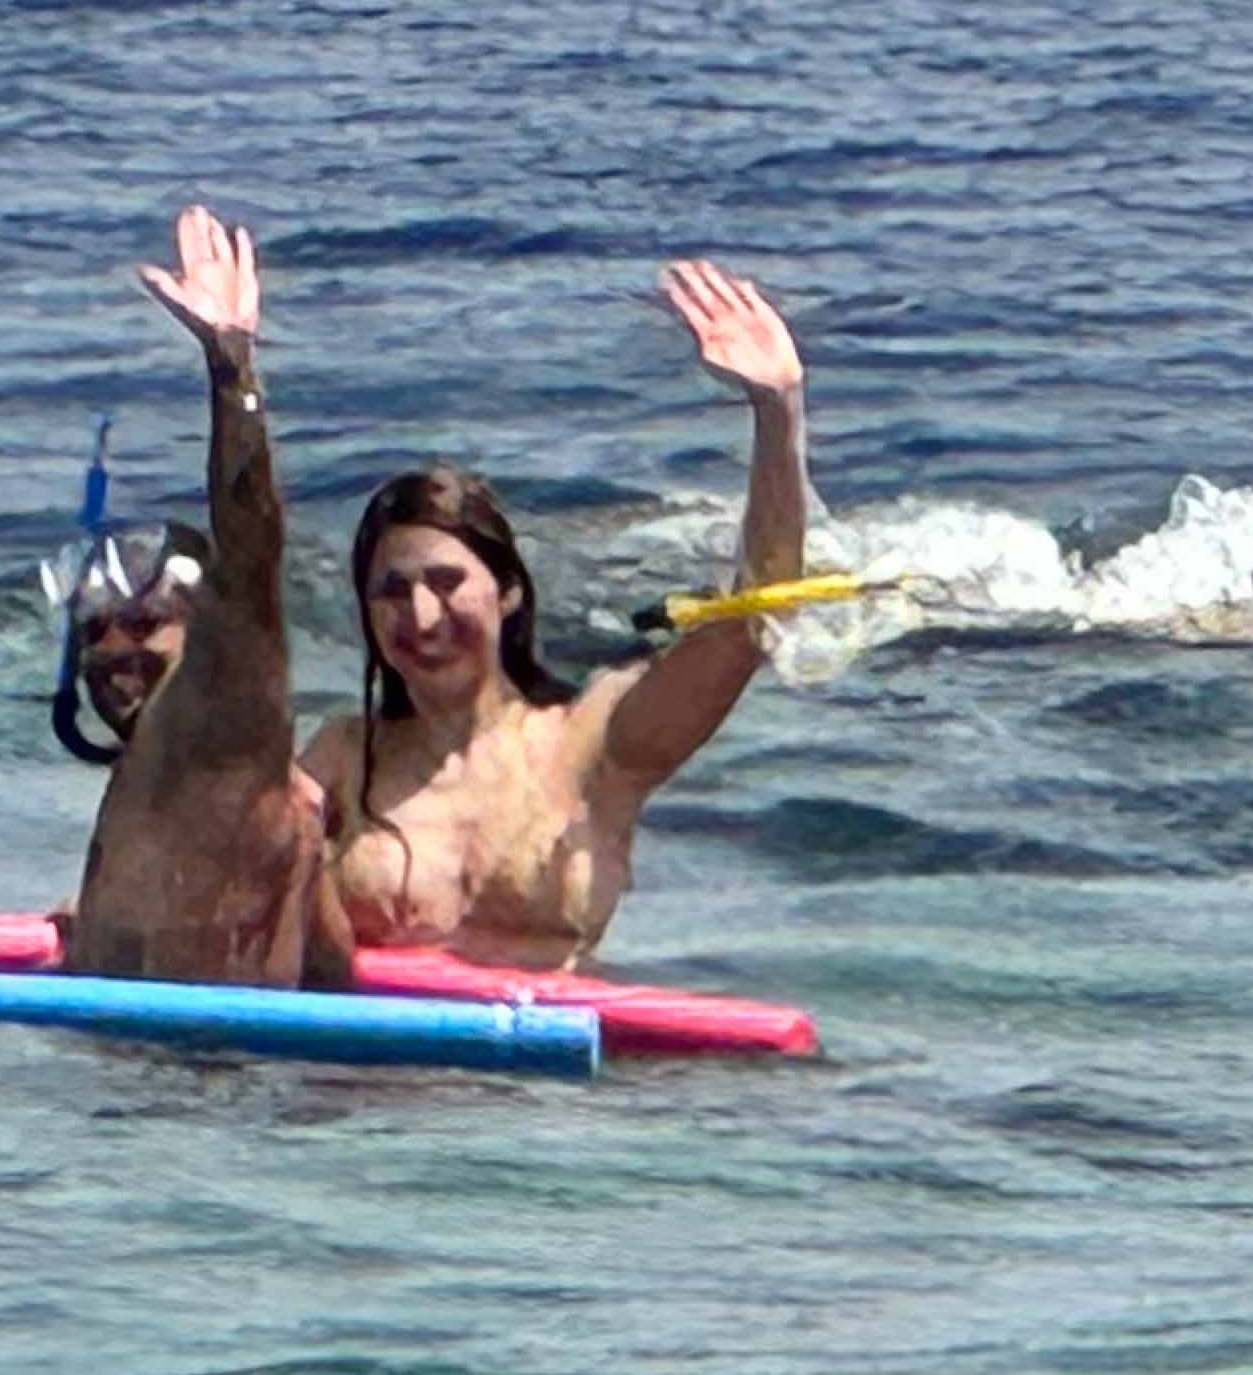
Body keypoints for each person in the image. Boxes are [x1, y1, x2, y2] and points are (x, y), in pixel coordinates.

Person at [306, 259, 807, 973]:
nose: (420, 614)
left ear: (508, 591)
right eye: (391, 590)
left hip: (545, 1081)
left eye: (448, 583)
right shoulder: (337, 759)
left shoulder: (593, 741)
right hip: (370, 1081)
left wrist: (777, 413)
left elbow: (756, 619)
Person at [52, 205, 354, 990]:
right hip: (146, 1091)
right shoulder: (154, 768)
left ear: (206, 639)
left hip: (221, 1093)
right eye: (97, 633)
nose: (117, 651)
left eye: (147, 624)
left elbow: (251, 553)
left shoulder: (224, 728)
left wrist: (231, 368)